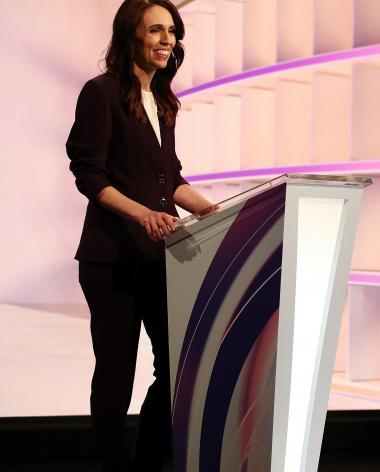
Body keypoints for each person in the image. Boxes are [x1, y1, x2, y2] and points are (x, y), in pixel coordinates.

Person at [66, 1, 212, 470]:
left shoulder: (164, 101)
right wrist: (143, 214)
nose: (168, 40)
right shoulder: (101, 93)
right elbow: (89, 174)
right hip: (112, 260)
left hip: (157, 257)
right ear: (132, 35)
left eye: (172, 31)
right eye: (157, 30)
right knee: (115, 371)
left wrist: (214, 210)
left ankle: (147, 462)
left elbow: (170, 179)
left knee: (175, 367)